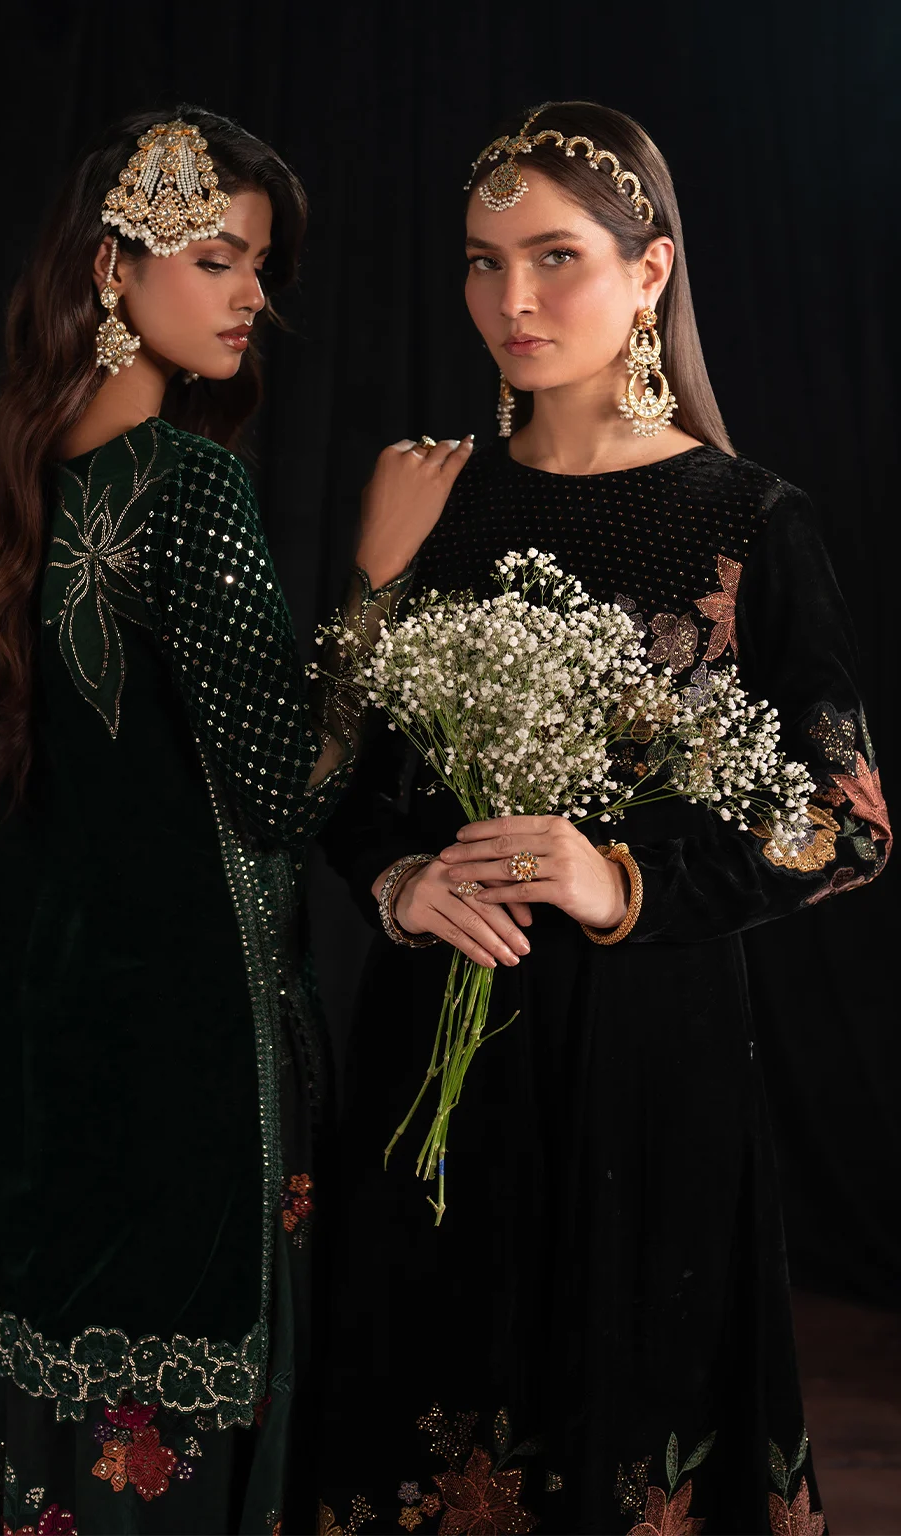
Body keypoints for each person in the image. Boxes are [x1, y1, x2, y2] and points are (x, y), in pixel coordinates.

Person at [316, 101, 890, 1536]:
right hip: (437, 1037)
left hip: (649, 1056)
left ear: (651, 271)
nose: (510, 298)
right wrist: (396, 880)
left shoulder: (749, 516)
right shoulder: (429, 496)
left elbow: (851, 822)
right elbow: (335, 781)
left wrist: (623, 878)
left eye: (555, 256)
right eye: (483, 260)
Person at [0, 106, 470, 1536]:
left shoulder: (12, 470)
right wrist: (379, 576)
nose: (251, 297)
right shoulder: (186, 485)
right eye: (217, 260)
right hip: (181, 1071)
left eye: (259, 266)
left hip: (29, 1062)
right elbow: (286, 789)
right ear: (111, 267)